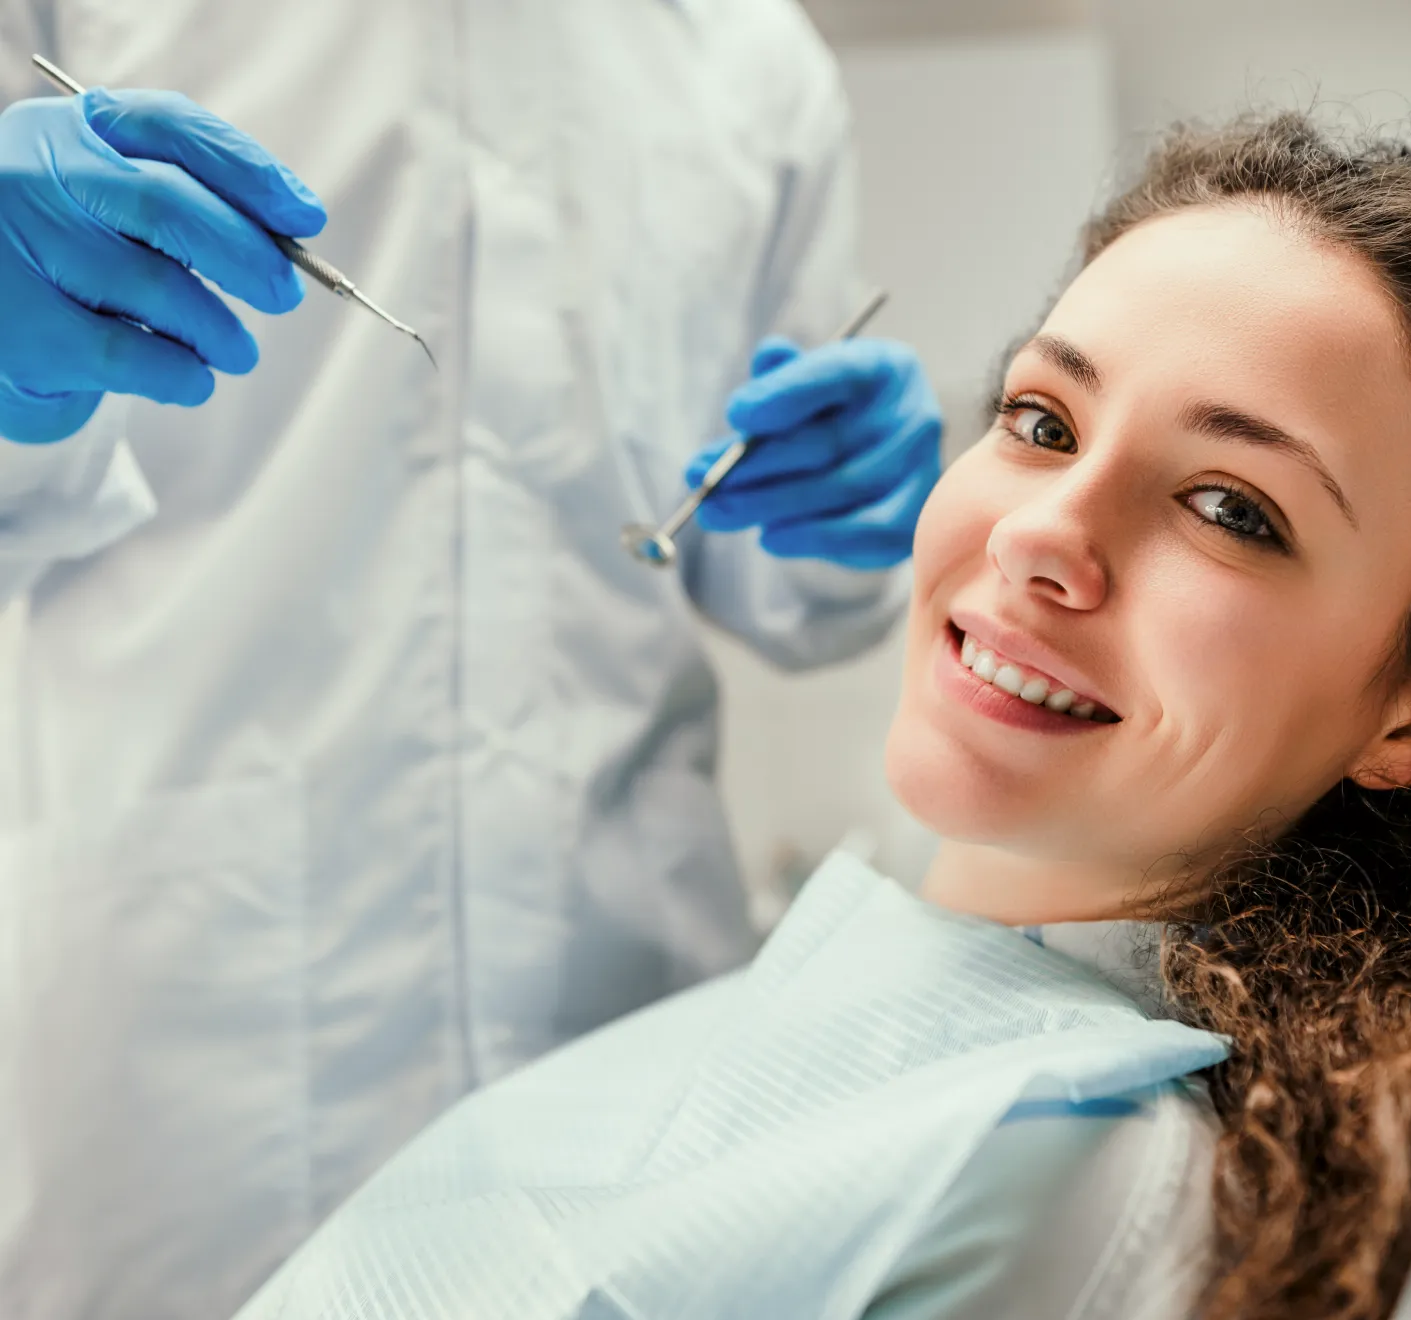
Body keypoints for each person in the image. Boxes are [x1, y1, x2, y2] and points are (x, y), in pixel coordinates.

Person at [219, 113, 1411, 1320]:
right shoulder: (929, 1057)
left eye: (1232, 509)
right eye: (1042, 421)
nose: (1045, 530)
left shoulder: (1038, 1187)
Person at [0, 5, 941, 1319]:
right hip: (185, 1077)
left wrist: (847, 506)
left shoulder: (749, 54)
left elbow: (787, 592)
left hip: (628, 1014)